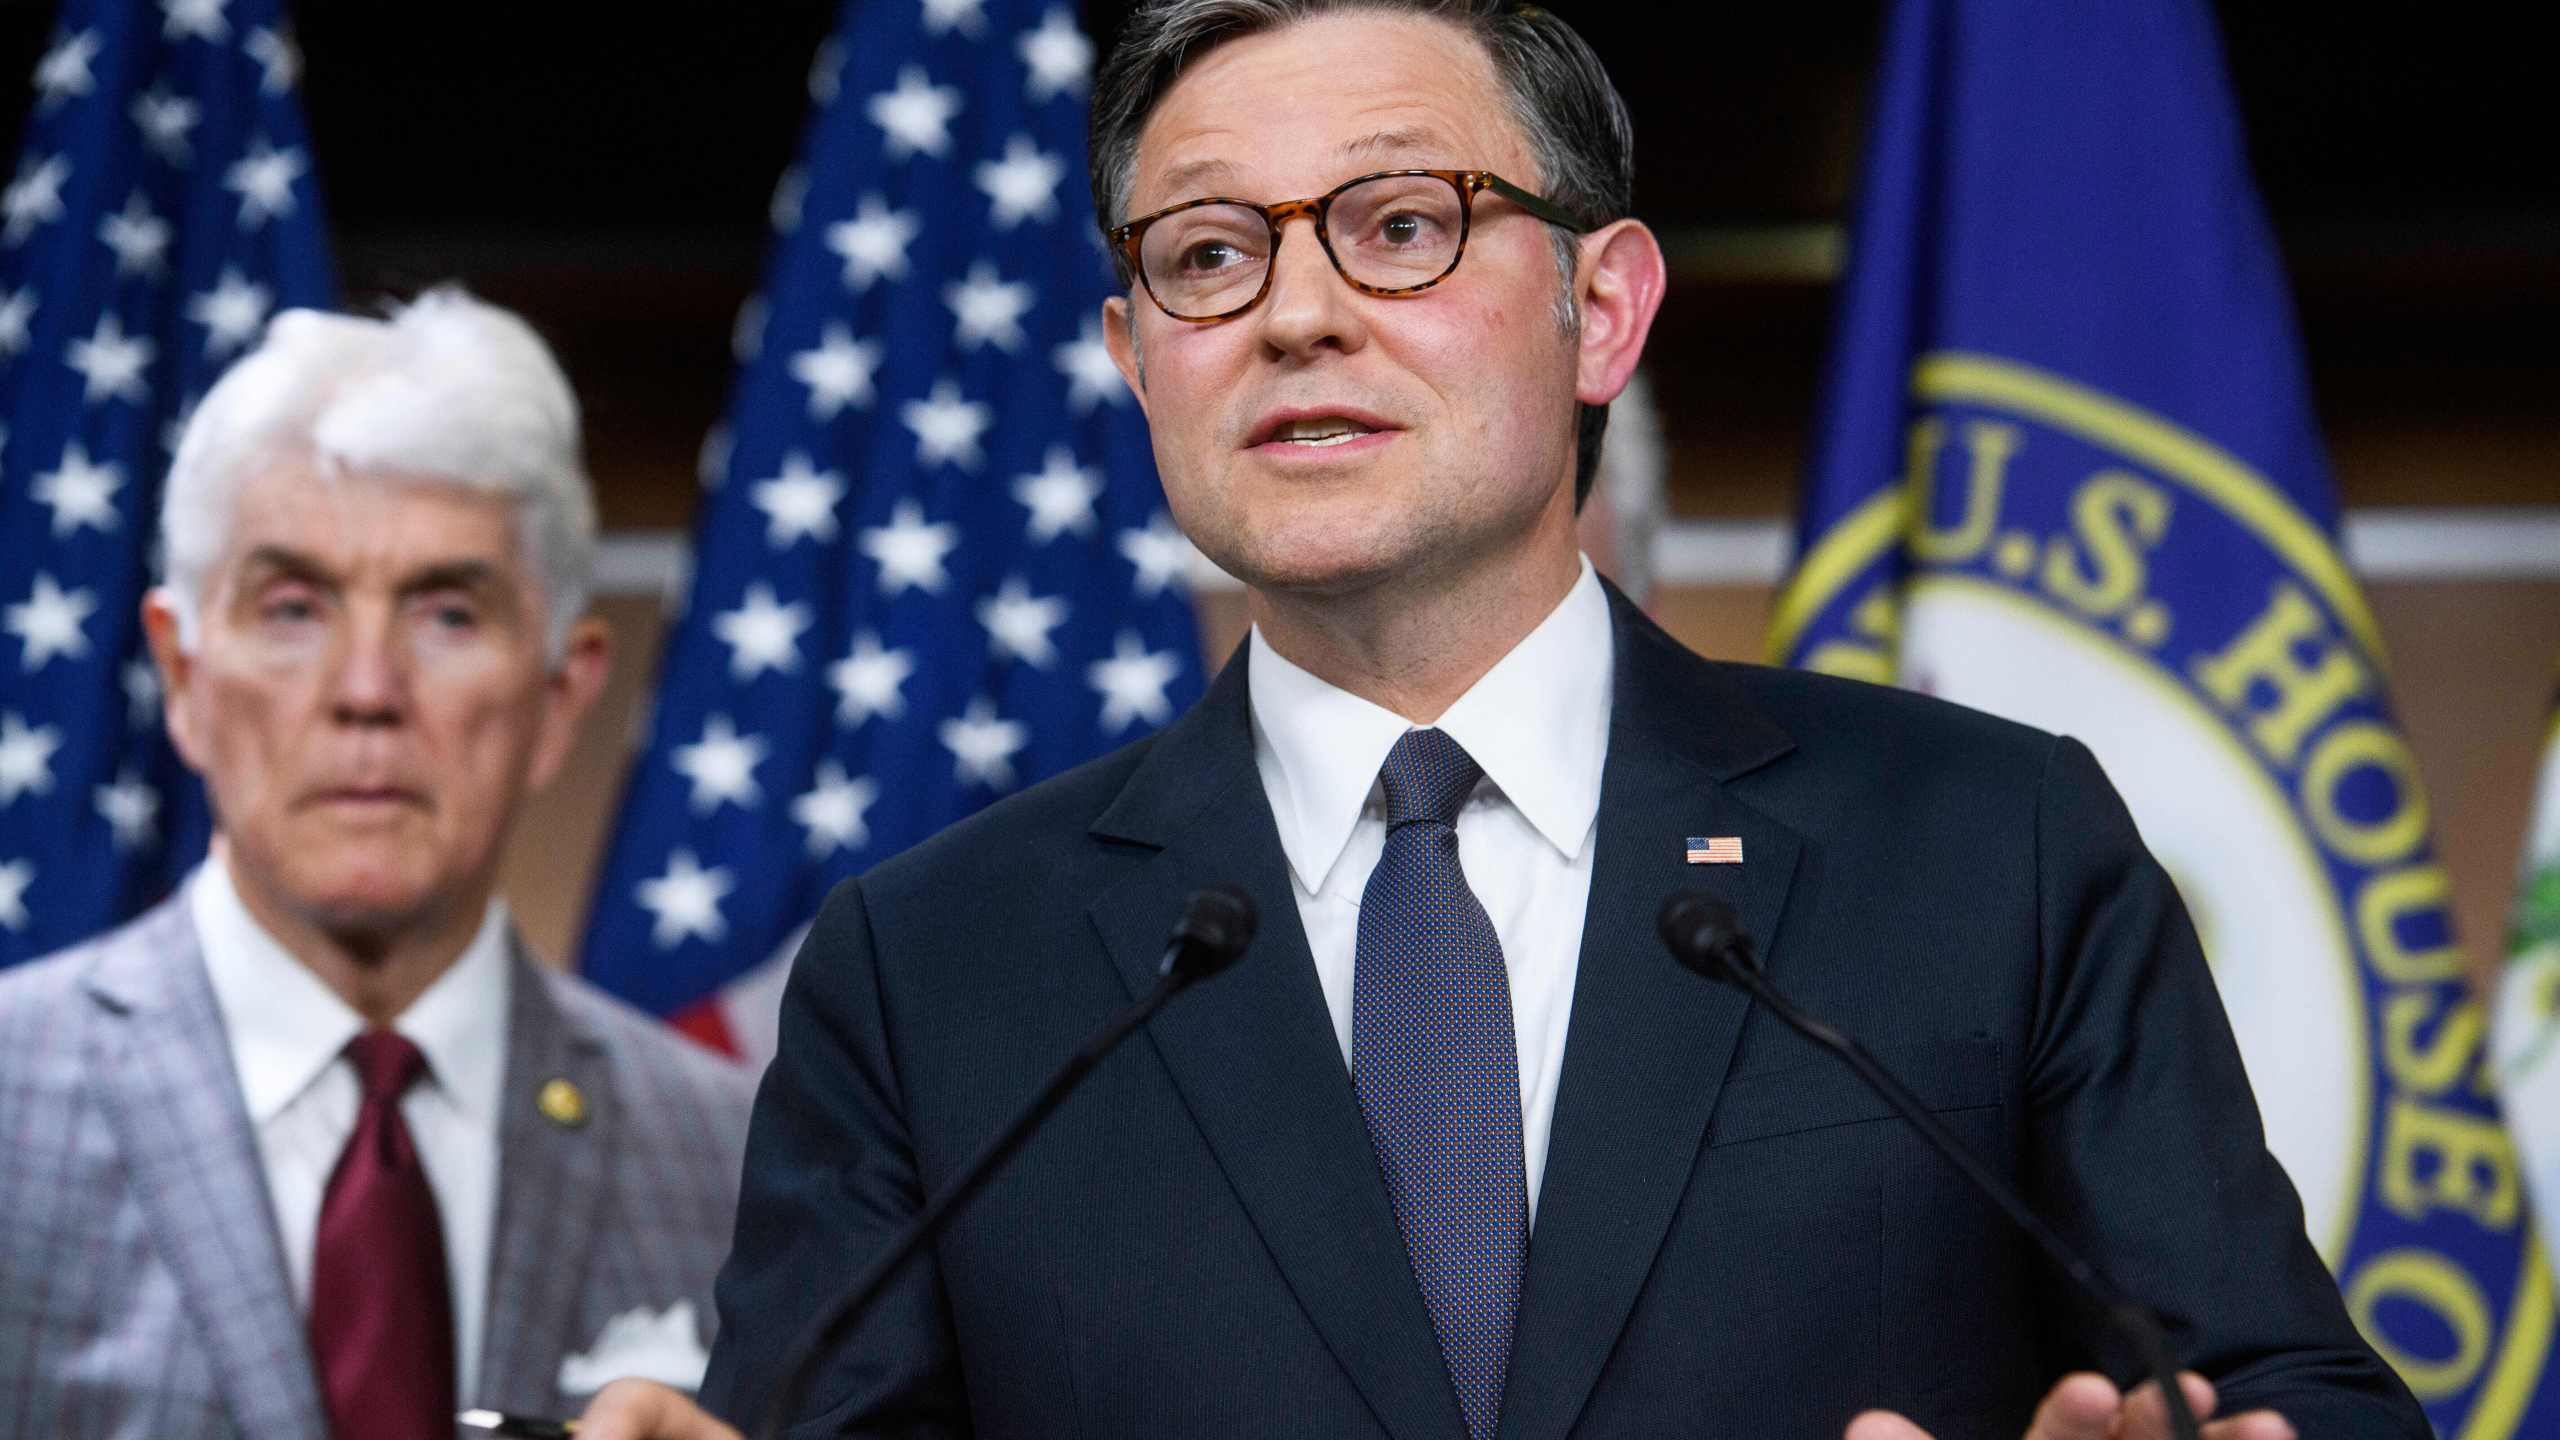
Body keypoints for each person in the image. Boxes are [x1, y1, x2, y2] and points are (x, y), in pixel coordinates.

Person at [582, 3, 2428, 1438]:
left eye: (1400, 224)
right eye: (1209, 256)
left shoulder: (1985, 850)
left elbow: (2300, 1399)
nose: (1296, 312)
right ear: (1134, 356)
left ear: (1601, 309)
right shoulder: (932, 974)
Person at [0, 290, 757, 1439]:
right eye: (293, 606)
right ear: (185, 677)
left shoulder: (737, 1154)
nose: (366, 690)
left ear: (562, 694)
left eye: (448, 614)